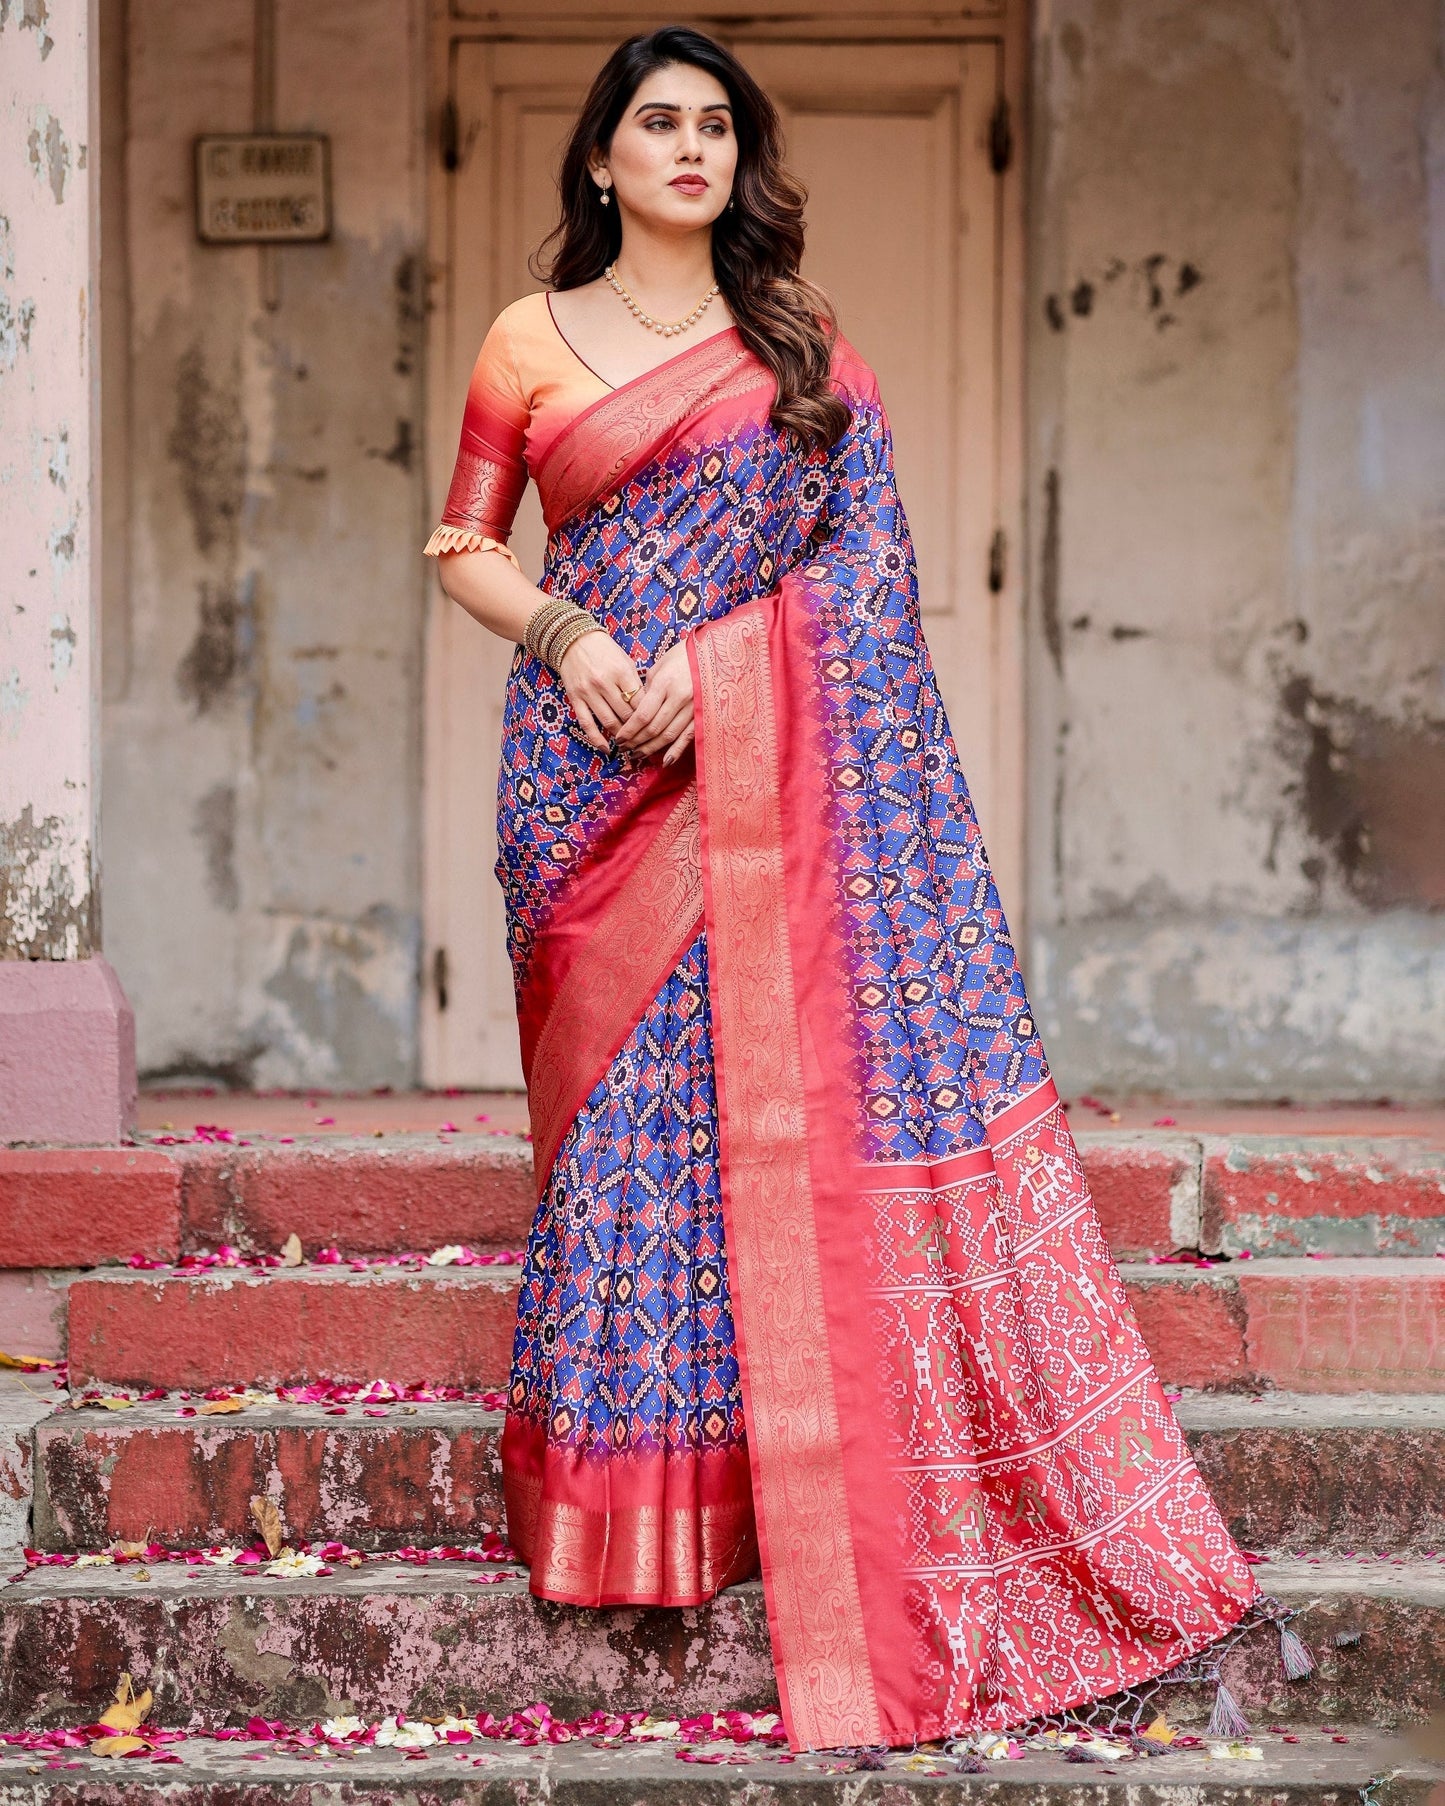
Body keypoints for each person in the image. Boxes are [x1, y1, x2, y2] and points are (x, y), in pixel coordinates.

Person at [426, 23, 1261, 1754]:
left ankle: (763, 1497)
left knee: (758, 1112)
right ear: (598, 158)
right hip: (585, 775)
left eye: (714, 125)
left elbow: (864, 577)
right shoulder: (531, 338)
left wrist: (720, 672)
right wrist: (579, 639)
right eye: (655, 122)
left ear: (740, 158)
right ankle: (624, 1514)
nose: (686, 148)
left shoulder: (804, 346)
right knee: (627, 1140)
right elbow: (463, 541)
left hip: (760, 769)